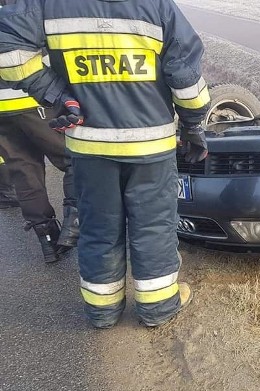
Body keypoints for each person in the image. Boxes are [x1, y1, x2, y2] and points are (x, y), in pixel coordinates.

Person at [0, 0, 211, 328]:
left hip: (90, 147)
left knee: (99, 227)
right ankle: (157, 307)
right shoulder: (157, 7)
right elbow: (185, 75)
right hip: (149, 146)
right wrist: (194, 125)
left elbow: (8, 52)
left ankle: (102, 312)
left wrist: (56, 93)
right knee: (153, 226)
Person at [0, 84, 79, 263]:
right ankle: (73, 224)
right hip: (36, 97)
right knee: (76, 159)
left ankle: (48, 240)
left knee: (24, 171)